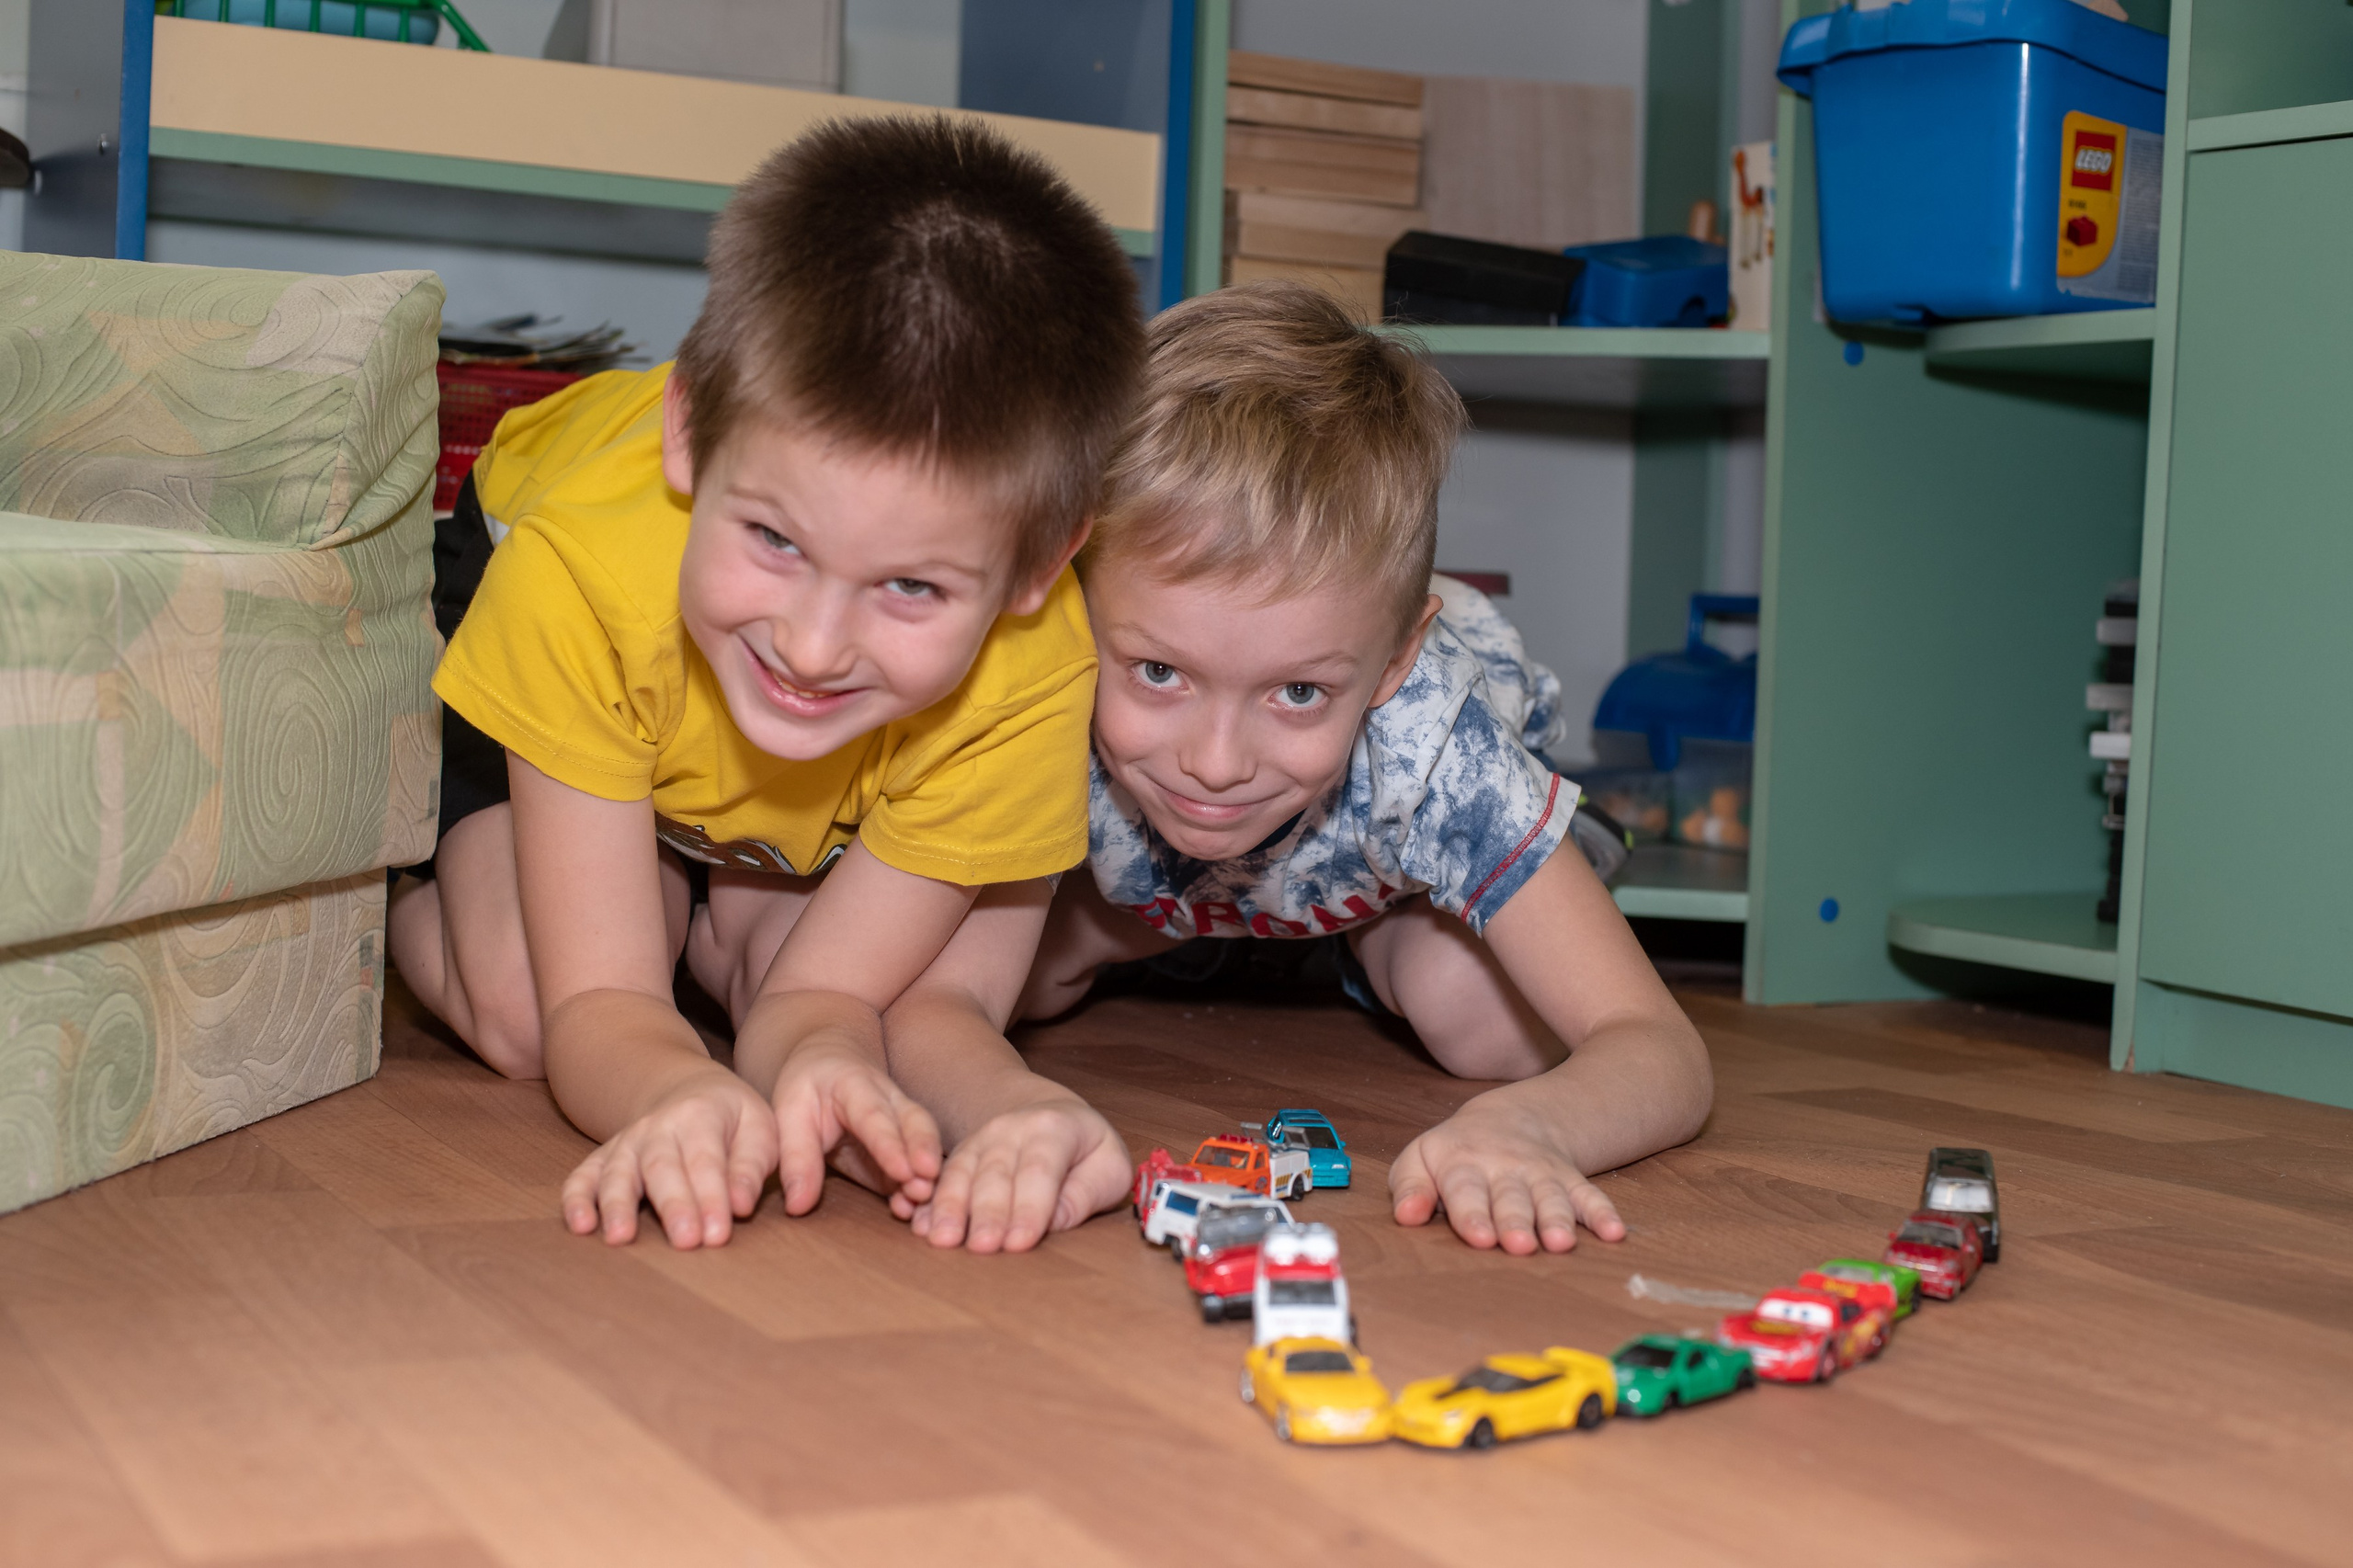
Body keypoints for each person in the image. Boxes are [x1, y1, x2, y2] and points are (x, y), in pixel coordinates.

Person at [390, 118, 1145, 1255]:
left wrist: (1002, 1105)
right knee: (523, 1008)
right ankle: (391, 873)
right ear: (687, 432)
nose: (812, 643)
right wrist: (667, 1093)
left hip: (721, 706)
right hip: (525, 547)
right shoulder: (578, 580)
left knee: (768, 975)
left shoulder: (1034, 673)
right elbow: (605, 1007)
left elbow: (816, 1003)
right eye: (776, 541)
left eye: (908, 585)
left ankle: (696, 870)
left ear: (1038, 567)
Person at [1018, 282, 1714, 1256]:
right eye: (1160, 671)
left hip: (1388, 886)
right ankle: (1238, 927)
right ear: (1069, 600)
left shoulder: (1435, 743)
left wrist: (1529, 1123)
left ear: (1391, 664)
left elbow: (1659, 1048)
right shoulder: (1035, 679)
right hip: (1171, 883)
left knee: (1483, 1027)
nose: (1215, 763)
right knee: (1017, 973)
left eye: (1297, 691)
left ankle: (1349, 939)